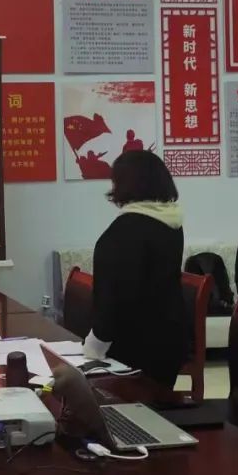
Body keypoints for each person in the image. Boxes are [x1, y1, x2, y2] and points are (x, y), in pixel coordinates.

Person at [83, 150, 188, 389]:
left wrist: (91, 350)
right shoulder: (171, 223)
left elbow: (112, 300)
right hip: (170, 345)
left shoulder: (124, 231)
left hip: (132, 352)